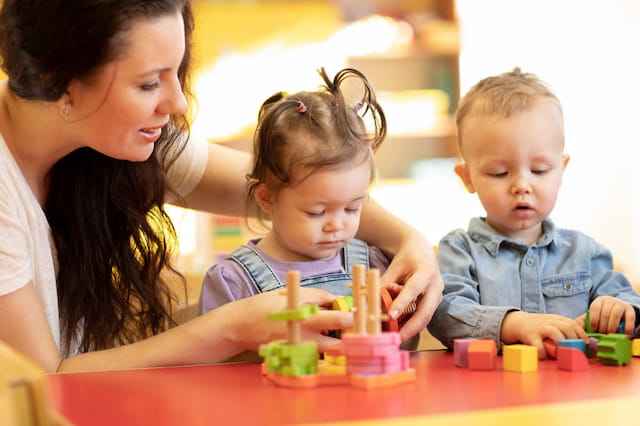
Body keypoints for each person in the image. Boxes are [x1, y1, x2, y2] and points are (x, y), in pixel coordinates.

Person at [0, 0, 442, 373]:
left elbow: (289, 183)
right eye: (149, 83)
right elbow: (43, 381)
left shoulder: (116, 137)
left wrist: (411, 242)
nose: (175, 103)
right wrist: (229, 329)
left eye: (176, 72)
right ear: (59, 83)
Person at [427, 68, 640, 359]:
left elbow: (627, 304)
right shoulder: (459, 251)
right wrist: (513, 324)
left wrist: (621, 310)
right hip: (492, 396)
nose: (522, 186)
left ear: (561, 170)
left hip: (577, 396)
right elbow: (446, 314)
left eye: (539, 170)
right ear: (468, 178)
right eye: (499, 173)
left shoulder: (585, 252)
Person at [199, 68, 419, 347]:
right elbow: (213, 371)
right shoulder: (234, 281)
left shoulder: (374, 265)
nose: (337, 225)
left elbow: (404, 347)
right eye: (316, 212)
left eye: (352, 208)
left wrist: (398, 310)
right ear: (266, 198)